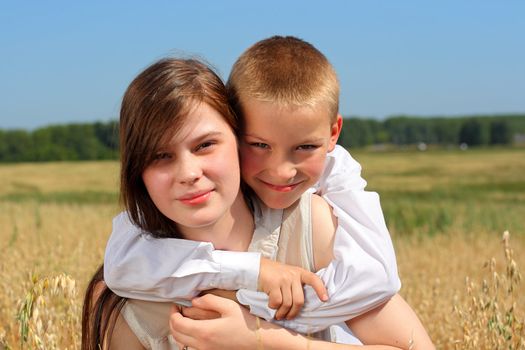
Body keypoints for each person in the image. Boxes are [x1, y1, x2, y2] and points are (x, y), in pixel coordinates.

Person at [83, 56, 433, 350]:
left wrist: (263, 339)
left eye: (205, 145)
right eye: (160, 156)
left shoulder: (309, 228)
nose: (188, 173)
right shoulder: (123, 299)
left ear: (239, 140)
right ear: (136, 171)